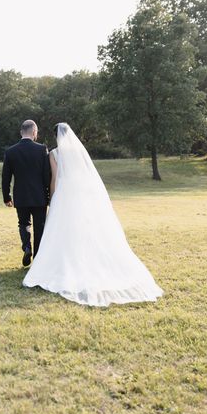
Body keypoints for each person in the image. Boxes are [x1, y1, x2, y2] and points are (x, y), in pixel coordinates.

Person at [22, 122, 163, 307]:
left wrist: (52, 197)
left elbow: (55, 178)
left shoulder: (54, 154)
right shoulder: (78, 152)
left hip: (65, 194)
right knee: (83, 227)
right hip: (81, 194)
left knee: (63, 229)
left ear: (57, 136)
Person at [1, 119, 51, 267]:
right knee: (39, 226)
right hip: (39, 196)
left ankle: (26, 247)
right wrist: (48, 194)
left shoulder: (10, 152)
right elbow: (46, 175)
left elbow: (6, 177)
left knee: (23, 223)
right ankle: (38, 259)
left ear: (21, 132)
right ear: (34, 132)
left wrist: (6, 197)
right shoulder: (41, 149)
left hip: (20, 196)